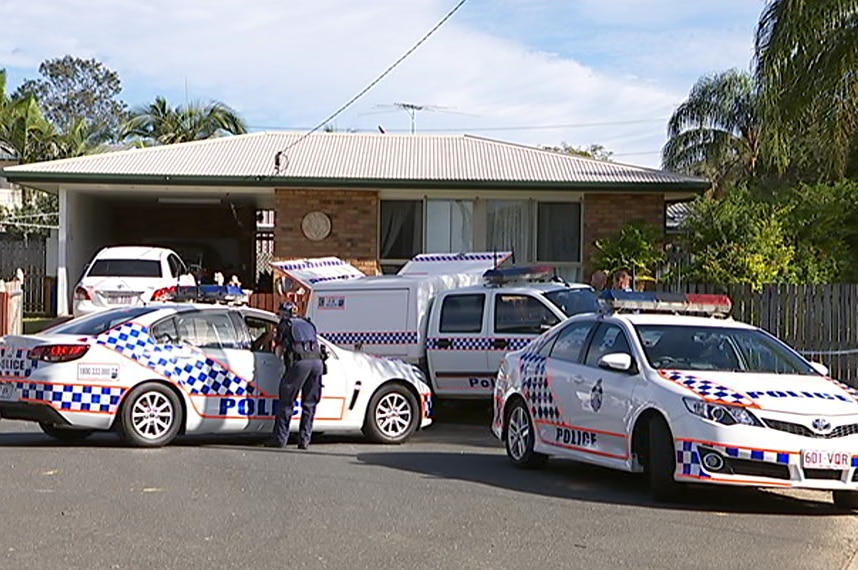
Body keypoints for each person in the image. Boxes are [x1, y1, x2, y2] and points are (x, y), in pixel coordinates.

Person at [268, 301, 326, 450]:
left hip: (300, 364)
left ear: (283, 313)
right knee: (310, 404)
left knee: (287, 402)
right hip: (317, 363)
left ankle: (280, 440)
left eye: (279, 313)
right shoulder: (308, 324)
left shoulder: (285, 325)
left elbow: (278, 352)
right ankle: (304, 441)